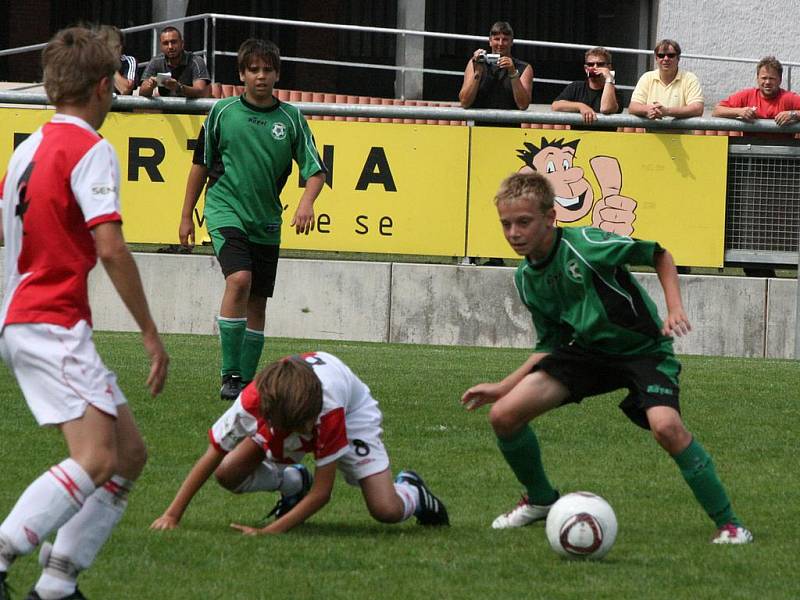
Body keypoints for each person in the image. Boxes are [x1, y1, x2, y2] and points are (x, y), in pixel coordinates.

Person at [460, 171, 752, 545]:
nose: (514, 232)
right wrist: (503, 388)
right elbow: (550, 345)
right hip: (588, 354)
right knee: (504, 415)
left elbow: (658, 254)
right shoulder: (525, 278)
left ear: (551, 218)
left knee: (667, 428)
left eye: (524, 222)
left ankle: (730, 524)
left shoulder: (587, 244)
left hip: (643, 351)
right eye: (506, 224)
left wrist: (673, 309)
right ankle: (541, 499)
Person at [0, 27, 169, 600]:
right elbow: (112, 247)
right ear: (103, 87)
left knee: (128, 454)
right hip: (50, 319)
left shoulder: (28, 149)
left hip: (26, 319)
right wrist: (150, 332)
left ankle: (57, 584)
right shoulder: (90, 149)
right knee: (96, 457)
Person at [150, 352, 449, 534]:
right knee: (227, 473)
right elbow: (212, 455)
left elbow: (322, 493)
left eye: (308, 427)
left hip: (351, 413)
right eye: (301, 430)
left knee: (386, 510)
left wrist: (269, 532)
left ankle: (413, 491)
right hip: (292, 410)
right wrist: (172, 514)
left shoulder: (327, 409)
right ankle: (292, 482)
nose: (307, 432)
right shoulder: (252, 403)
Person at [178, 38, 326, 401]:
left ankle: (245, 380)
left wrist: (306, 202)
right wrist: (186, 216)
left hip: (266, 220)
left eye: (267, 70)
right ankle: (229, 374)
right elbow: (200, 165)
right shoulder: (222, 112)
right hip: (224, 209)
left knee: (257, 299)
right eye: (253, 70)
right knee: (240, 280)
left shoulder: (291, 118)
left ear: (277, 74)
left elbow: (316, 171)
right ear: (242, 74)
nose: (261, 76)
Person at [458, 21, 533, 121]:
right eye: (497, 39)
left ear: (511, 42)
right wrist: (478, 72)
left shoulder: (524, 67)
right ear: (490, 41)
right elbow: (464, 102)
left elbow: (523, 105)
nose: (500, 44)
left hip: (511, 129)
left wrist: (513, 73)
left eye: (505, 40)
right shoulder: (475, 63)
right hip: (480, 129)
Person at [713, 56, 800, 129]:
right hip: (748, 148)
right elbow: (716, 111)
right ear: (757, 79)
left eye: (772, 78)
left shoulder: (788, 97)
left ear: (780, 80)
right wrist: (739, 112)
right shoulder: (747, 95)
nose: (767, 82)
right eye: (764, 78)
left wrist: (793, 114)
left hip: (785, 148)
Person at [628, 39, 704, 120]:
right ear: (656, 58)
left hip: (680, 133)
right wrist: (647, 110)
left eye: (671, 55)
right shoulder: (646, 77)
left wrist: (667, 111)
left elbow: (698, 108)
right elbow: (633, 107)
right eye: (661, 55)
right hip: (651, 132)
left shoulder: (690, 79)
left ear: (678, 58)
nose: (666, 58)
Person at [551, 47, 622, 130]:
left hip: (605, 141)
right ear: (586, 68)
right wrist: (581, 106)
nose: (595, 67)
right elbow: (555, 106)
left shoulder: (616, 92)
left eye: (600, 64)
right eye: (591, 64)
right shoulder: (576, 87)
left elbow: (606, 109)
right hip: (579, 140)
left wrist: (609, 79)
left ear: (609, 67)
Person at [138, 26, 210, 98]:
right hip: (165, 107)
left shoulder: (195, 61)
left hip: (191, 108)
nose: (170, 47)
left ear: (182, 43)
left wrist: (179, 88)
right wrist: (150, 86)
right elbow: (142, 92)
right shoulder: (156, 61)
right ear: (161, 47)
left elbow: (200, 92)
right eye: (165, 43)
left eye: (173, 42)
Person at [96, 25, 136, 95]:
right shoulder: (91, 61)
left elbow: (125, 89)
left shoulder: (128, 61)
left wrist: (110, 65)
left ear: (120, 46)